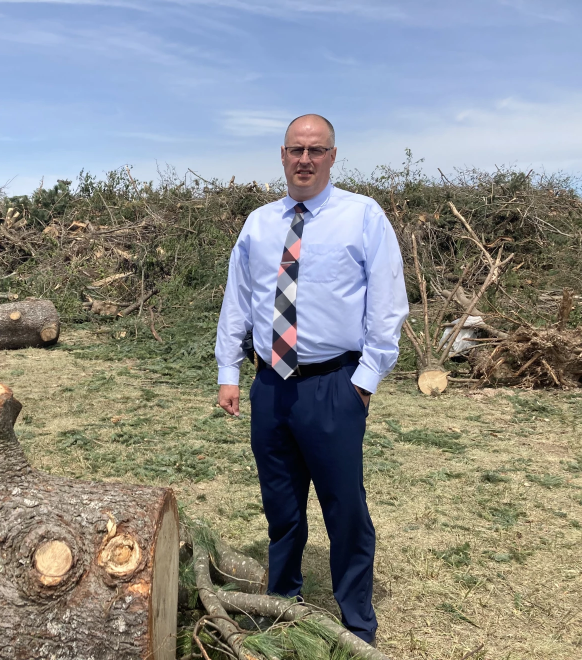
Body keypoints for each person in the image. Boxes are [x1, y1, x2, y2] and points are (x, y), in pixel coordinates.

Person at [215, 114, 408, 644]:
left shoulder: (363, 216)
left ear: (332, 156)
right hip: (270, 385)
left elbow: (387, 306)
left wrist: (365, 380)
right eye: (296, 150)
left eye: (316, 150)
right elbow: (239, 301)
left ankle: (357, 623)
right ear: (282, 155)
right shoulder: (258, 223)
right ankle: (282, 604)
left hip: (333, 385)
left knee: (345, 506)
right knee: (280, 501)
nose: (305, 159)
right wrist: (228, 371)